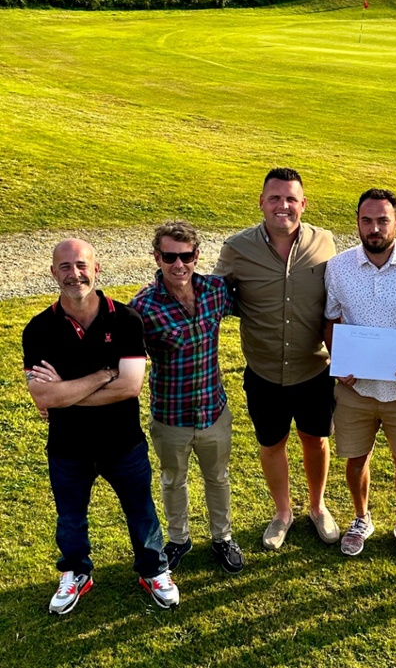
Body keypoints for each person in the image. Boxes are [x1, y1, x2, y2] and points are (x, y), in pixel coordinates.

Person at [23, 239, 179, 614]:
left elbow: (129, 387)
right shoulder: (39, 329)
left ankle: (154, 570)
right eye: (64, 267)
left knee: (141, 511)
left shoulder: (125, 320)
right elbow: (42, 397)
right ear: (53, 273)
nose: (74, 274)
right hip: (67, 446)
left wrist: (65, 392)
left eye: (81, 265)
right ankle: (76, 572)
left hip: (122, 443)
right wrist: (104, 374)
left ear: (97, 270)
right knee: (70, 518)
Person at [214, 167, 339, 549]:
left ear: (303, 204)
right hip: (264, 371)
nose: (282, 205)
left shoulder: (327, 243)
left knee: (315, 440)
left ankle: (317, 507)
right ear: (262, 203)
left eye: (290, 199)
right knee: (272, 444)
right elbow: (213, 296)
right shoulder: (237, 248)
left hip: (314, 369)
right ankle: (282, 512)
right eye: (274, 198)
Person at [324, 189, 396, 559]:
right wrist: (339, 359)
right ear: (358, 222)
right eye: (366, 220)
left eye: (382, 220)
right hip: (356, 390)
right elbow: (330, 317)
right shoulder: (339, 266)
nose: (374, 228)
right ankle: (362, 518)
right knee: (356, 459)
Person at [130, 221, 243, 574]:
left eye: (186, 256)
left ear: (197, 256)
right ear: (157, 258)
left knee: (218, 478)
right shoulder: (142, 307)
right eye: (169, 257)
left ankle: (222, 537)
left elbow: (260, 306)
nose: (179, 264)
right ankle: (179, 539)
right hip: (170, 416)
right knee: (172, 480)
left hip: (214, 410)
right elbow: (122, 356)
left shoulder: (215, 290)